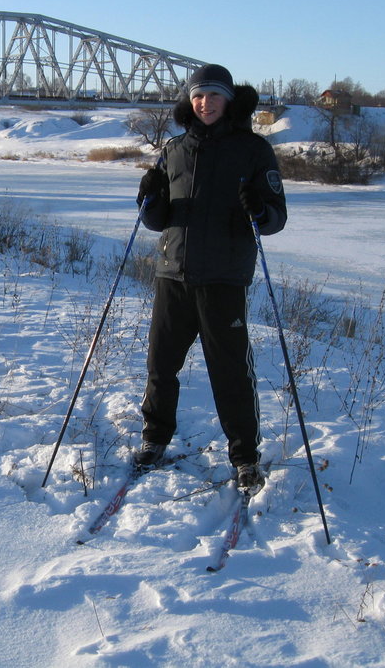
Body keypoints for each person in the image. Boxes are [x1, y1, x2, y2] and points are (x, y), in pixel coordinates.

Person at [134, 63, 287, 492]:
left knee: (231, 372)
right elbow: (156, 219)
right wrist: (149, 199)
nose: (205, 103)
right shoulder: (174, 148)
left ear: (229, 100)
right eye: (198, 96)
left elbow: (276, 217)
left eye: (214, 95)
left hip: (223, 278)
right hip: (173, 275)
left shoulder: (253, 150)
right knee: (160, 365)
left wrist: (259, 208)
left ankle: (245, 457)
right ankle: (153, 439)